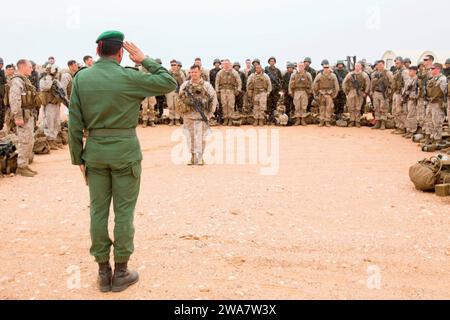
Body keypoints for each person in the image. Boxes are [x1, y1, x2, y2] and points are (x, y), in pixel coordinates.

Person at [68, 30, 177, 293]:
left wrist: (77, 158)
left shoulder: (82, 78)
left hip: (94, 153)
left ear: (97, 51)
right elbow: (168, 82)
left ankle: (103, 272)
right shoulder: (130, 77)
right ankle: (121, 271)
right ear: (121, 53)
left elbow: (74, 123)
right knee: (124, 213)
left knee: (98, 211)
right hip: (125, 153)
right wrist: (144, 59)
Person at [178, 65, 217, 165]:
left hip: (201, 116)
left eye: (195, 72)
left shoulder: (206, 85)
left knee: (200, 138)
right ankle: (192, 157)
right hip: (188, 116)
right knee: (189, 138)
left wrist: (210, 114)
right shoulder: (185, 85)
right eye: (192, 72)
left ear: (200, 73)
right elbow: (179, 100)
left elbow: (213, 99)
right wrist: (182, 114)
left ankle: (200, 157)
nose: (193, 74)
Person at [8, 59, 39, 177]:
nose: (32, 69)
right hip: (22, 117)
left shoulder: (24, 80)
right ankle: (21, 167)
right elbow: (15, 100)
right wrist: (18, 116)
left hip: (28, 115)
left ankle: (24, 165)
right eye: (30, 67)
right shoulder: (17, 81)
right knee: (24, 141)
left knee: (29, 141)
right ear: (22, 67)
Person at [40, 64, 64, 150]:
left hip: (56, 104)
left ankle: (53, 140)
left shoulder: (56, 80)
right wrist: (49, 77)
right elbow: (46, 87)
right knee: (49, 123)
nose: (55, 72)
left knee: (56, 123)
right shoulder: (44, 80)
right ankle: (49, 141)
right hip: (49, 104)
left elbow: (61, 90)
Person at [423, 63, 447, 147]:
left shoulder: (442, 79)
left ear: (438, 69)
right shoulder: (432, 79)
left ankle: (437, 140)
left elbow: (444, 92)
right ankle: (430, 138)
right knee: (428, 121)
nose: (431, 70)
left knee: (436, 122)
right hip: (430, 103)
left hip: (437, 103)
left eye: (433, 68)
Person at [342, 62, 370, 128]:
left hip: (360, 92)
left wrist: (365, 92)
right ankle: (352, 120)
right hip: (351, 91)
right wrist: (346, 92)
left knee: (358, 107)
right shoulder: (350, 74)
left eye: (358, 66)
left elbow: (368, 84)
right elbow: (344, 83)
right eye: (356, 66)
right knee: (351, 107)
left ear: (361, 67)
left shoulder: (364, 75)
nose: (357, 67)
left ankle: (357, 121)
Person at [313, 60, 339, 127]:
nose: (326, 69)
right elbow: (315, 85)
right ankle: (321, 121)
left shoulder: (333, 75)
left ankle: (327, 121)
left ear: (329, 67)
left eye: (327, 67)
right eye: (325, 67)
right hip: (321, 93)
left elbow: (336, 86)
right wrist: (315, 94)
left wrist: (334, 94)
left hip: (329, 94)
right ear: (323, 68)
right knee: (321, 107)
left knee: (328, 108)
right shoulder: (319, 75)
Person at [215, 59, 242, 126]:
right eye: (225, 64)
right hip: (223, 90)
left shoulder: (234, 72)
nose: (226, 65)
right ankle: (226, 119)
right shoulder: (220, 72)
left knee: (231, 105)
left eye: (227, 64)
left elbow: (239, 81)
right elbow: (217, 82)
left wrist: (238, 90)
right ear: (223, 65)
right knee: (224, 105)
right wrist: (217, 91)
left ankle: (230, 119)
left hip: (231, 90)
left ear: (230, 64)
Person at [247, 62, 272, 126]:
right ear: (255, 69)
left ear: (261, 69)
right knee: (256, 106)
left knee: (262, 106)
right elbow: (248, 84)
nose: (258, 69)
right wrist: (249, 92)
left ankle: (261, 120)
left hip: (263, 92)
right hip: (255, 93)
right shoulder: (252, 76)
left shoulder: (265, 75)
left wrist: (268, 92)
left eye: (259, 68)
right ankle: (256, 120)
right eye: (257, 68)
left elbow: (269, 84)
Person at [370, 60, 393, 130]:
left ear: (383, 65)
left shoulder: (388, 73)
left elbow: (392, 82)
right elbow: (372, 83)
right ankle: (378, 122)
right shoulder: (374, 74)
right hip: (376, 92)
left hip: (384, 93)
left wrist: (389, 92)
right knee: (376, 107)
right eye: (378, 65)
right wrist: (371, 91)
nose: (379, 66)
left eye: (381, 64)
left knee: (383, 108)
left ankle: (383, 123)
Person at [289, 62, 312, 126]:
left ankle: (303, 120)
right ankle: (298, 120)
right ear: (298, 67)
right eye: (300, 66)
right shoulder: (293, 74)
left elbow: (311, 83)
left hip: (304, 91)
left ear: (304, 67)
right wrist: (290, 91)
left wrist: (310, 92)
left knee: (304, 106)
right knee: (297, 106)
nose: (301, 67)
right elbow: (290, 83)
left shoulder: (307, 74)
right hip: (296, 91)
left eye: (302, 66)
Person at [391, 57, 410, 135]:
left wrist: (403, 95)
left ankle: (402, 127)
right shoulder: (398, 71)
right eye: (395, 63)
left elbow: (407, 84)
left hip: (400, 94)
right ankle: (398, 126)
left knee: (400, 111)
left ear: (402, 63)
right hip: (396, 93)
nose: (396, 64)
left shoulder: (405, 71)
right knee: (394, 111)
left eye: (398, 63)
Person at [166, 59, 186, 126]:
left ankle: (177, 120)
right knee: (170, 105)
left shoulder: (181, 73)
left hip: (178, 91)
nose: (173, 66)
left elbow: (184, 83)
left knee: (177, 106)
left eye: (174, 65)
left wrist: (183, 92)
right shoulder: (168, 72)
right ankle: (171, 120)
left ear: (177, 65)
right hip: (170, 91)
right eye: (172, 65)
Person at [403, 66, 419, 139]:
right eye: (409, 71)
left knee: (412, 115)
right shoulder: (409, 79)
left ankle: (412, 131)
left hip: (413, 99)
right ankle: (408, 130)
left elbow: (418, 91)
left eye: (411, 71)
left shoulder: (417, 79)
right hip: (408, 99)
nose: (410, 72)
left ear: (415, 71)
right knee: (408, 115)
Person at [265, 57, 282, 123]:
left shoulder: (277, 70)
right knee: (269, 103)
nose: (272, 62)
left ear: (275, 62)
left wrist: (280, 89)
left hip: (276, 89)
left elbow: (281, 80)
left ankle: (274, 118)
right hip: (269, 89)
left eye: (273, 61)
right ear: (269, 62)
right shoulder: (266, 70)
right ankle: (269, 118)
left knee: (275, 103)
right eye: (271, 61)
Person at [0, 58, 6, 131]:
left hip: (2, 98)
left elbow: (4, 84)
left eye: (1, 64)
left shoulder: (2, 73)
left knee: (2, 115)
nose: (0, 65)